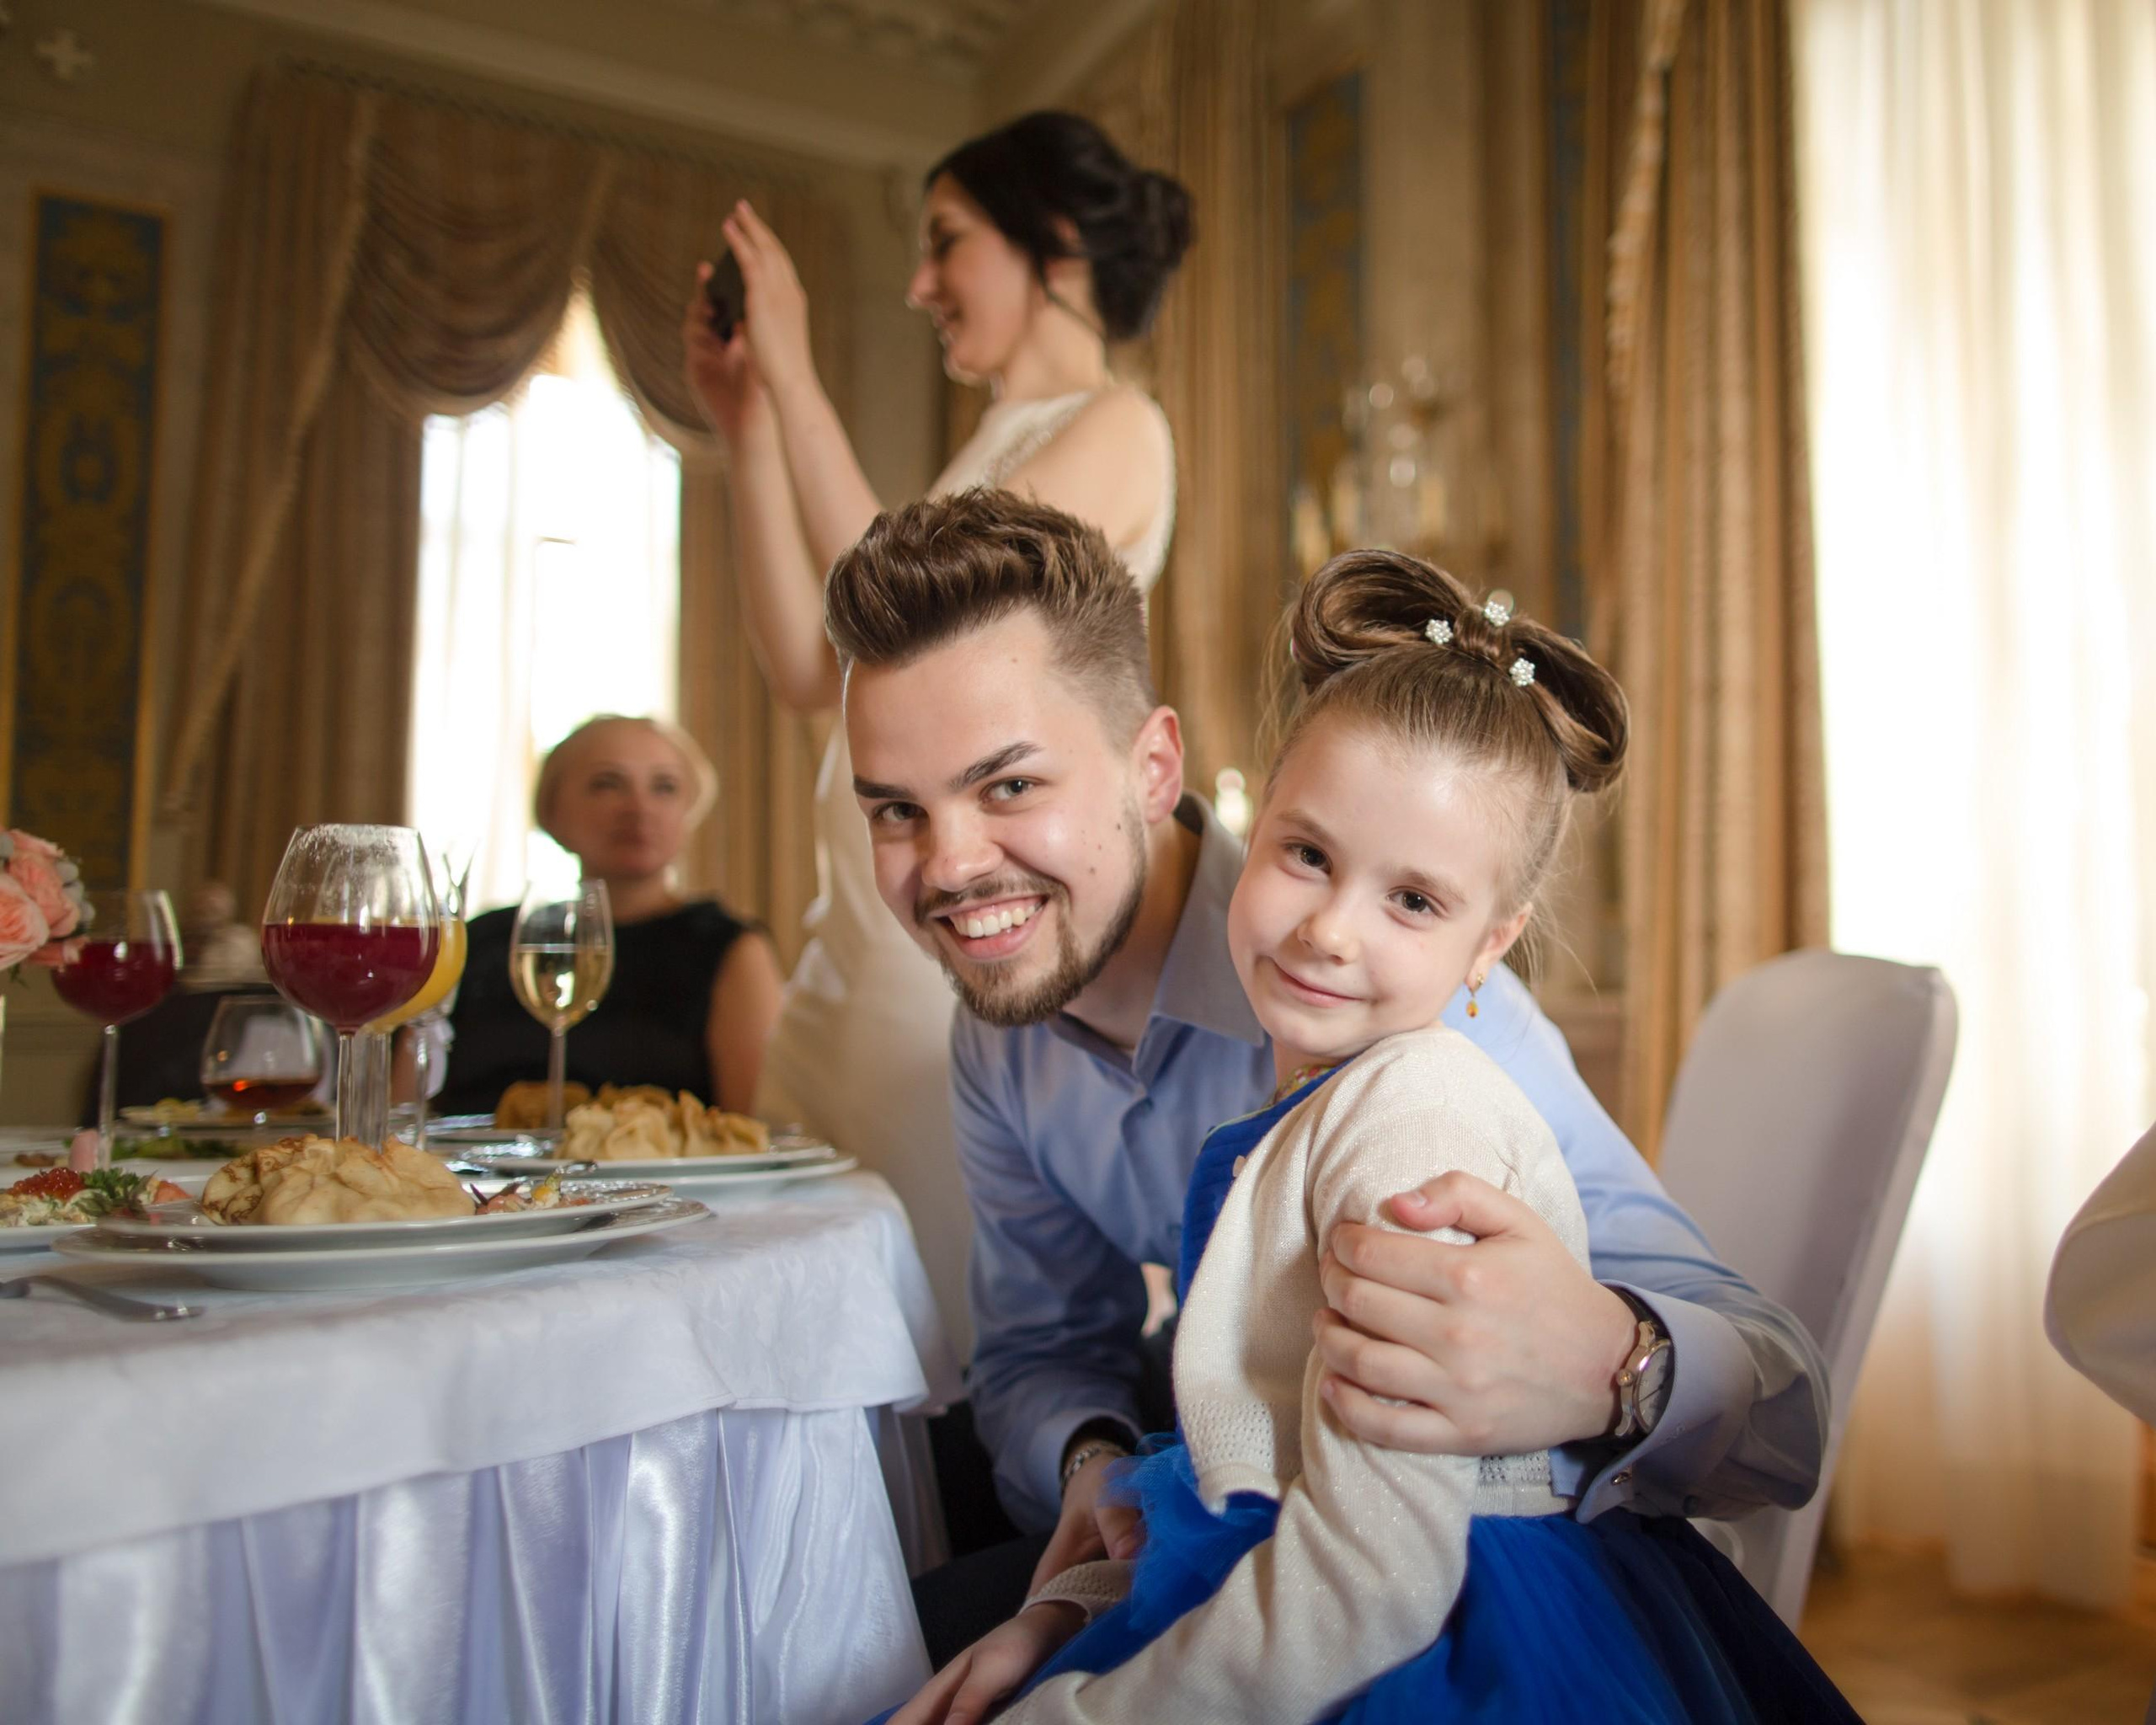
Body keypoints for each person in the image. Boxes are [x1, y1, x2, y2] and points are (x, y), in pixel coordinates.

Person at [824, 490, 1829, 1667]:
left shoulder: (1421, 1019)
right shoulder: (1001, 1035)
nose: (948, 866)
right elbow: (1043, 1346)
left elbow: (1783, 1402)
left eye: (1008, 787)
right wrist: (1091, 1468)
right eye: (898, 810)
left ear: (1154, 767)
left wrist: (1621, 1363)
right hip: (1212, 1500)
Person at [680, 110, 1188, 1354]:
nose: (920, 285)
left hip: (941, 955)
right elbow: (813, 662)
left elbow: (926, 623)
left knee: (909, 1351)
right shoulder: (989, 448)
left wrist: (799, 369)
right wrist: (747, 418)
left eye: (946, 243)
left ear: (1053, 244)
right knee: (788, 1320)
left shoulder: (1122, 425)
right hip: (841, 947)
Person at [436, 715, 782, 1116]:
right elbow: (408, 1111)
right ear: (552, 810)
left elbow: (753, 1132)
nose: (639, 808)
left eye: (664, 787)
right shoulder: (482, 940)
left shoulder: (730, 950)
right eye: (607, 784)